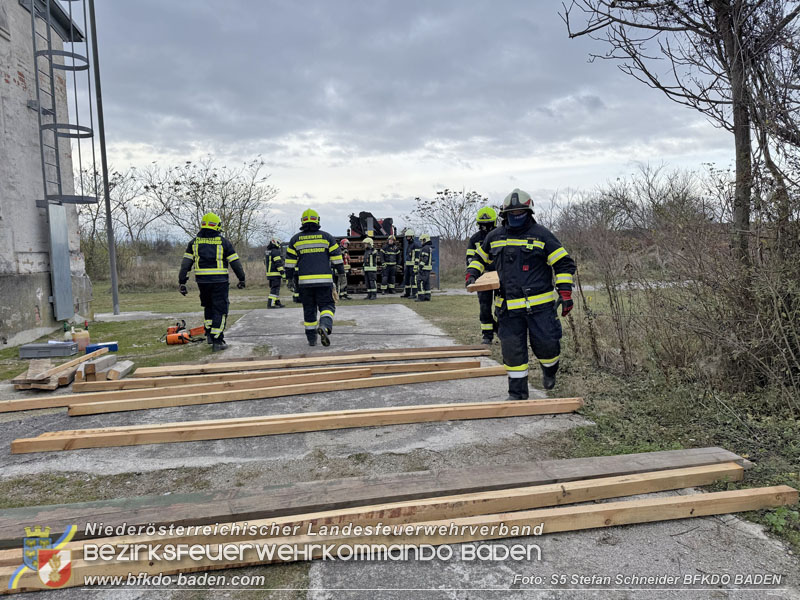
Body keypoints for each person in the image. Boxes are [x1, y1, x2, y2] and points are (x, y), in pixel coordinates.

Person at [466, 189, 576, 397]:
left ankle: (549, 370)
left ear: (528, 212)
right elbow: (479, 258)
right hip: (507, 309)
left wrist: (565, 292)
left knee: (547, 347)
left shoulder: (542, 235)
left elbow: (563, 263)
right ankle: (517, 394)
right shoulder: (495, 236)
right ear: (505, 215)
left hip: (540, 309)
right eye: (512, 213)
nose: (516, 216)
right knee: (512, 352)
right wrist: (472, 274)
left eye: (520, 212)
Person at [178, 212, 246, 352]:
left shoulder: (194, 243)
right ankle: (217, 340)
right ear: (217, 226)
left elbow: (185, 265)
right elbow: (235, 263)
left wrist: (182, 282)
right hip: (220, 282)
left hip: (202, 282)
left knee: (208, 307)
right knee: (220, 310)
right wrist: (242, 278)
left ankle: (209, 334)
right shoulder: (223, 242)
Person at [284, 208, 345, 347]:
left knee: (309, 310)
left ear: (302, 222)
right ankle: (324, 326)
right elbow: (337, 258)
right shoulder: (327, 237)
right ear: (317, 220)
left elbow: (289, 264)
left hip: (304, 284)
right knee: (327, 306)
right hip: (324, 282)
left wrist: (289, 279)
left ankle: (311, 339)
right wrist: (341, 274)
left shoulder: (295, 239)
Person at [467, 207, 498, 344]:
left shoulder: (501, 236)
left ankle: (502, 331)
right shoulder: (475, 239)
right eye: (482, 224)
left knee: (502, 308)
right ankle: (487, 335)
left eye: (488, 224)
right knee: (484, 307)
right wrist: (471, 275)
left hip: (501, 277)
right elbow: (470, 259)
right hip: (483, 277)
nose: (485, 227)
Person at [264, 237, 284, 309]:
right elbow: (278, 263)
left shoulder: (267, 251)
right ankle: (270, 304)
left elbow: (265, 262)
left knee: (275, 288)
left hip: (269, 274)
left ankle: (277, 302)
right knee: (275, 289)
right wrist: (282, 272)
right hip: (275, 273)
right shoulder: (276, 251)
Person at [401, 228, 420, 298]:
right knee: (407, 280)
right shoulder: (409, 245)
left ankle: (414, 294)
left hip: (413, 266)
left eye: (409, 237)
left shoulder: (416, 245)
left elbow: (417, 257)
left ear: (412, 237)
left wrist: (416, 266)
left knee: (413, 280)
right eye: (407, 237)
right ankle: (407, 293)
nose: (408, 238)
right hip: (408, 266)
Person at [415, 233, 433, 301]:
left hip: (424, 268)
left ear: (425, 240)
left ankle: (421, 297)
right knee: (426, 283)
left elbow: (425, 258)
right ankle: (427, 296)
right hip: (428, 268)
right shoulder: (429, 247)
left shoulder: (425, 248)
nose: (421, 242)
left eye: (422, 240)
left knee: (420, 282)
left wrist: (420, 266)